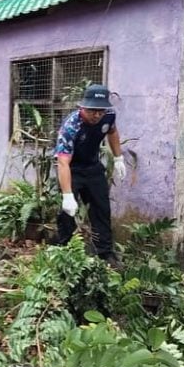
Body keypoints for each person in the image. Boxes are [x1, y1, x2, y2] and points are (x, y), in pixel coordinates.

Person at [54, 84, 126, 267]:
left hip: (93, 167)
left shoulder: (108, 116)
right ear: (83, 107)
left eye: (100, 111)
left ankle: (105, 254)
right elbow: (62, 162)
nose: (97, 115)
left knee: (102, 209)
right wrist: (68, 196)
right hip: (72, 168)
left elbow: (112, 131)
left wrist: (118, 158)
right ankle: (65, 251)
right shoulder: (71, 126)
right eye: (93, 110)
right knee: (67, 213)